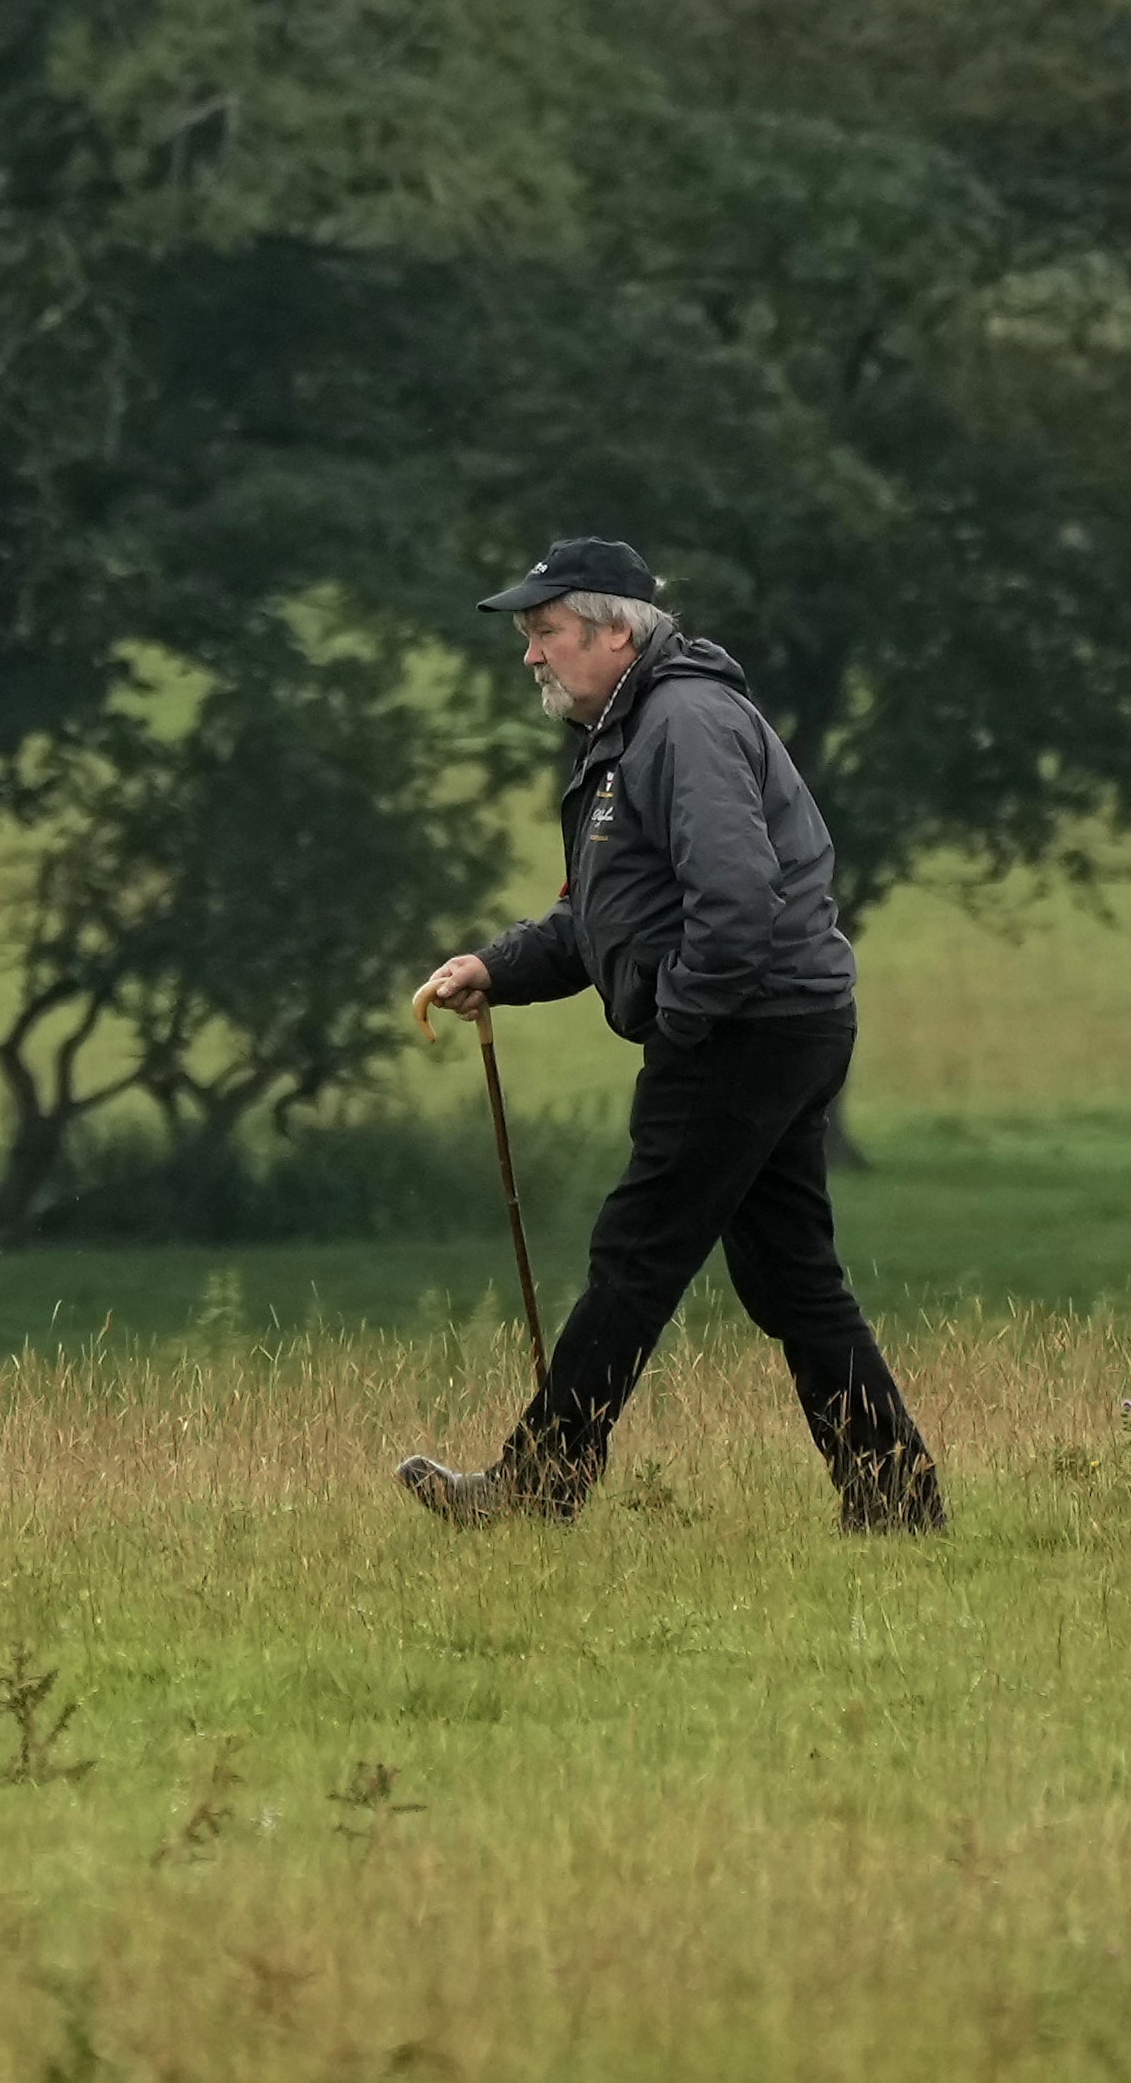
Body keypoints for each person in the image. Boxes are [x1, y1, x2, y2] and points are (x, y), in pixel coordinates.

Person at [399, 536, 943, 1533]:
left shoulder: (681, 722)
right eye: (529, 636)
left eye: (547, 631)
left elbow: (735, 899)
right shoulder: (633, 731)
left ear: (615, 631)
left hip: (748, 1027)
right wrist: (496, 968)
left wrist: (686, 1018)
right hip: (776, 1021)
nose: (531, 655)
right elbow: (609, 918)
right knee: (790, 1277)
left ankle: (535, 1491)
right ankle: (896, 1501)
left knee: (636, 1257)